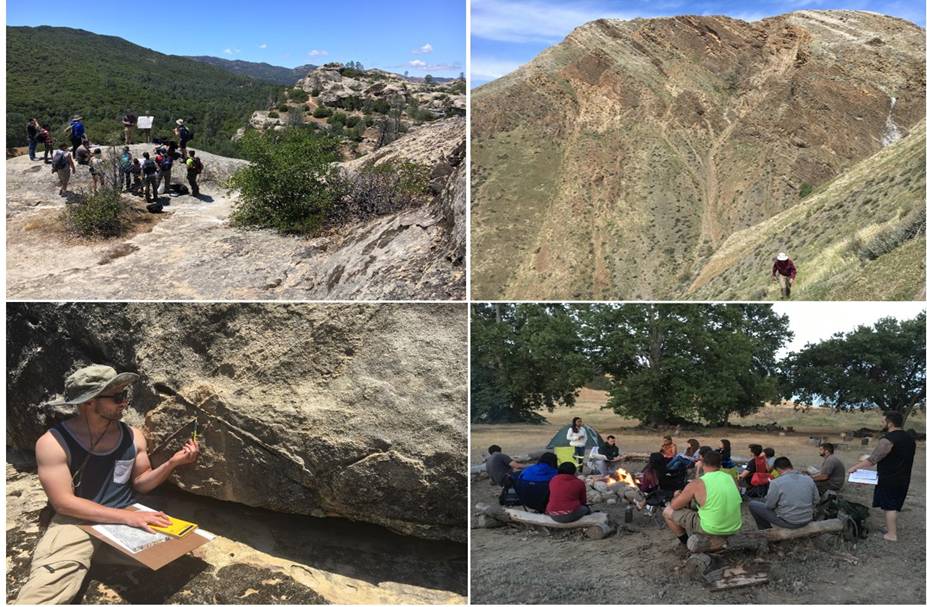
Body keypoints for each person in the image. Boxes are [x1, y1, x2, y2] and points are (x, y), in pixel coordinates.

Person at [13, 364, 200, 604]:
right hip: (78, 520)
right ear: (89, 401)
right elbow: (63, 503)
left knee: (183, 555)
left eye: (126, 395)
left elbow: (141, 483)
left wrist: (173, 463)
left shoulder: (133, 436)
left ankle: (97, 553)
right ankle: (87, 553)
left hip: (124, 517)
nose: (125, 403)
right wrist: (128, 518)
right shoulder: (53, 443)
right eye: (118, 396)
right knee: (49, 587)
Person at [847, 411, 916, 542]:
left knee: (889, 506)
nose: (882, 423)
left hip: (889, 478)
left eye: (883, 421)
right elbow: (895, 456)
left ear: (890, 423)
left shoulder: (888, 439)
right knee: (894, 504)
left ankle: (892, 534)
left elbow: (873, 459)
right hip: (904, 476)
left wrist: (855, 467)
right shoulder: (909, 438)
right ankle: (890, 527)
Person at [663, 450, 742, 545]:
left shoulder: (698, 483)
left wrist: (677, 495)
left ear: (702, 462)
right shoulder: (731, 478)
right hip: (734, 527)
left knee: (667, 511)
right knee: (701, 506)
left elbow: (675, 506)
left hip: (712, 528)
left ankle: (686, 543)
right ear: (720, 464)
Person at [748, 457, 818, 530]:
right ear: (791, 466)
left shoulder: (776, 482)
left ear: (777, 469)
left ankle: (766, 530)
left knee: (752, 504)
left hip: (790, 522)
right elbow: (816, 500)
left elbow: (769, 506)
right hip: (807, 519)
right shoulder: (808, 479)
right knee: (763, 501)